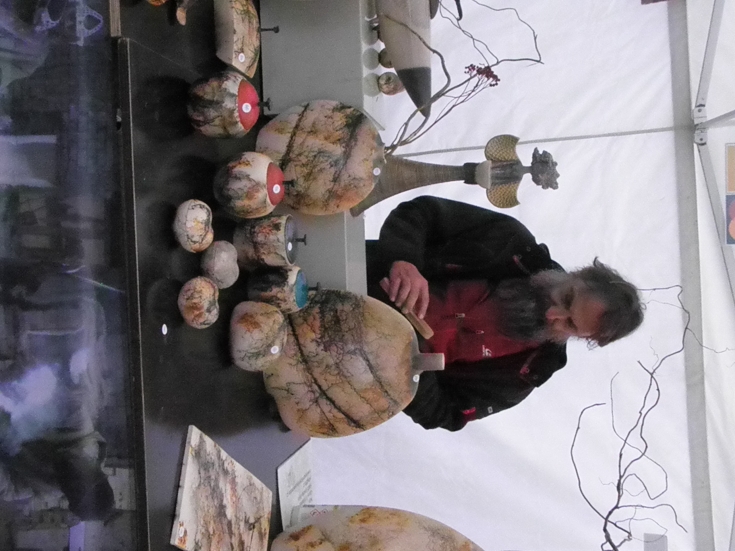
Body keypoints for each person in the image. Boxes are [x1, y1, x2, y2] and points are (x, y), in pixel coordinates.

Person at [365, 196, 644, 431]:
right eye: (567, 297)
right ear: (579, 273)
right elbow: (422, 212)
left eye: (569, 324)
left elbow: (447, 413)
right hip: (354, 275)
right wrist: (404, 260)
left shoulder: (523, 374)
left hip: (361, 362)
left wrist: (413, 367)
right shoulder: (510, 241)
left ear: (584, 338)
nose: (553, 314)